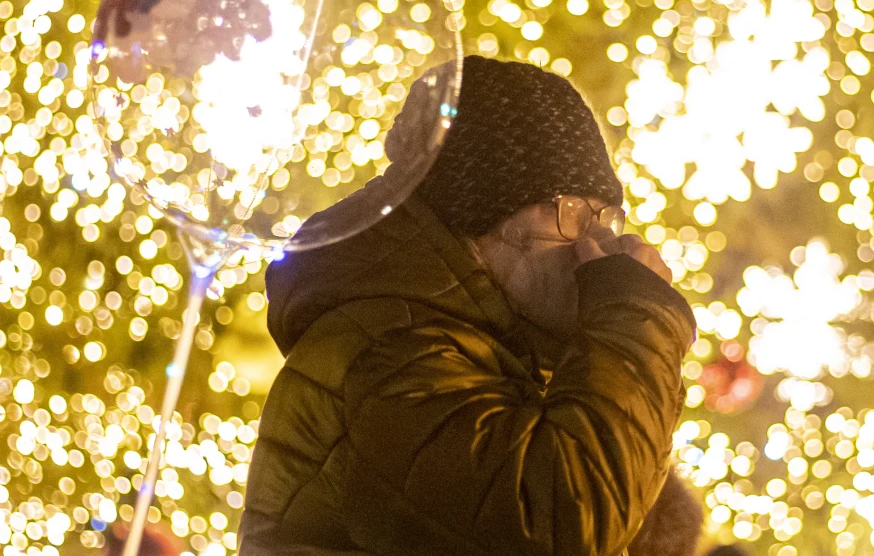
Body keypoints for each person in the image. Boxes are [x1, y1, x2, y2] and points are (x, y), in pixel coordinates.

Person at [239, 56, 698, 556]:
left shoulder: (478, 351)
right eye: (572, 212)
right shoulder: (392, 350)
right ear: (479, 213)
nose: (600, 239)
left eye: (607, 214)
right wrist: (638, 319)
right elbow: (558, 525)